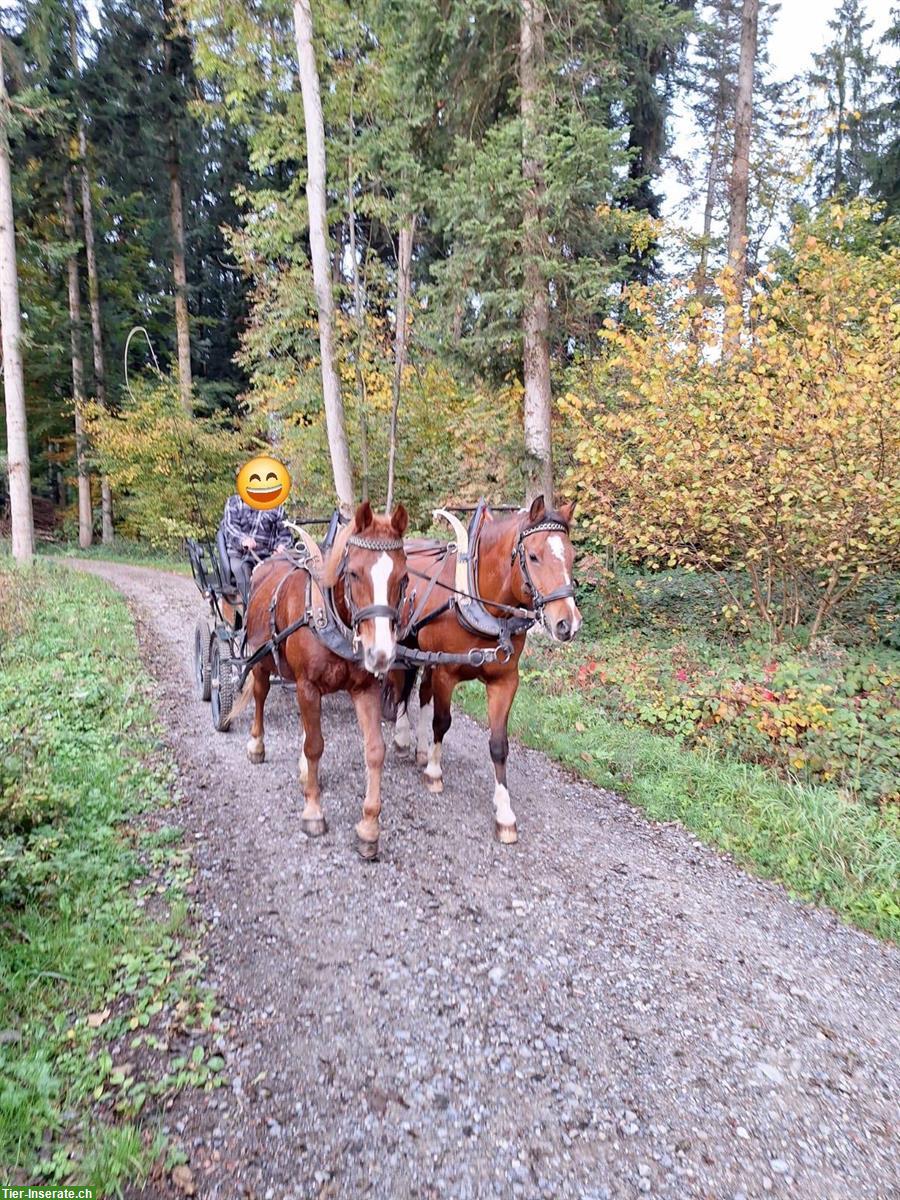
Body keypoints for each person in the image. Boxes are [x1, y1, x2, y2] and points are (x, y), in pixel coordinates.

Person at [221, 492, 292, 600]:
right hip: (239, 555)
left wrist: (282, 546)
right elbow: (230, 527)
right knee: (241, 570)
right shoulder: (234, 502)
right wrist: (243, 540)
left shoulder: (277, 508)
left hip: (267, 557)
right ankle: (247, 605)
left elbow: (285, 534)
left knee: (285, 573)